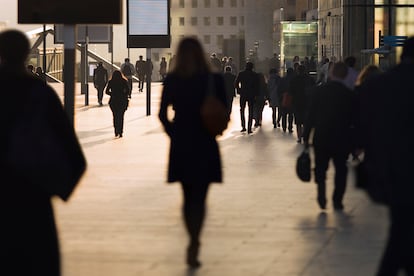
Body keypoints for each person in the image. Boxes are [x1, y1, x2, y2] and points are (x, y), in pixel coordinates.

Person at [0, 29, 86, 276]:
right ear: (27, 53)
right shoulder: (40, 94)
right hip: (33, 199)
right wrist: (56, 188)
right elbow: (74, 155)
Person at [158, 37, 227, 269]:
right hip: (205, 143)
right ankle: (196, 238)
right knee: (201, 196)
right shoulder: (213, 79)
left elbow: (161, 114)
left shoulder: (173, 80)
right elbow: (225, 109)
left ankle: (192, 238)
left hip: (182, 143)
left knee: (187, 196)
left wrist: (173, 133)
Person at [356, 36, 414, 276]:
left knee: (400, 224)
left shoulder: (377, 85)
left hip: (390, 170)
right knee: (403, 230)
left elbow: (362, 126)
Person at [302, 61, 356, 211]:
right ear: (345, 75)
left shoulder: (319, 92)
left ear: (331, 74)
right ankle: (337, 199)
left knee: (320, 167)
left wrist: (306, 136)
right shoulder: (349, 95)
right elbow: (355, 119)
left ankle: (321, 196)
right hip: (342, 137)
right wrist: (357, 142)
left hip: (322, 136)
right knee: (341, 168)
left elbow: (310, 115)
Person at [289, 64, 316, 143]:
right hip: (307, 102)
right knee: (306, 120)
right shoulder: (310, 79)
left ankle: (299, 137)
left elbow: (290, 91)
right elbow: (314, 89)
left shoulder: (294, 79)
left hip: (296, 102)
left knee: (298, 121)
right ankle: (305, 135)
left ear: (298, 71)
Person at [234, 61, 259, 134]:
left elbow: (236, 83)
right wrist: (256, 94)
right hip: (251, 94)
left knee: (242, 110)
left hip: (243, 94)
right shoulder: (255, 75)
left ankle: (243, 126)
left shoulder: (241, 74)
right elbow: (257, 86)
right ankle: (249, 128)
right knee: (251, 111)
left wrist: (239, 90)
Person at [105, 70, 130, 138]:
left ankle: (116, 131)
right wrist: (123, 94)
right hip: (122, 101)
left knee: (115, 116)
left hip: (114, 101)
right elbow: (128, 91)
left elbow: (106, 91)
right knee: (121, 117)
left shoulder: (111, 81)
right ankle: (121, 132)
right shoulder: (124, 81)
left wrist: (112, 94)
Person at [278, 67, 295, 133]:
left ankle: (284, 126)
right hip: (291, 98)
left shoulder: (283, 79)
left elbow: (279, 89)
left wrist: (280, 97)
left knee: (284, 114)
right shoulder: (294, 80)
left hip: (284, 98)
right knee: (291, 114)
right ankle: (290, 127)